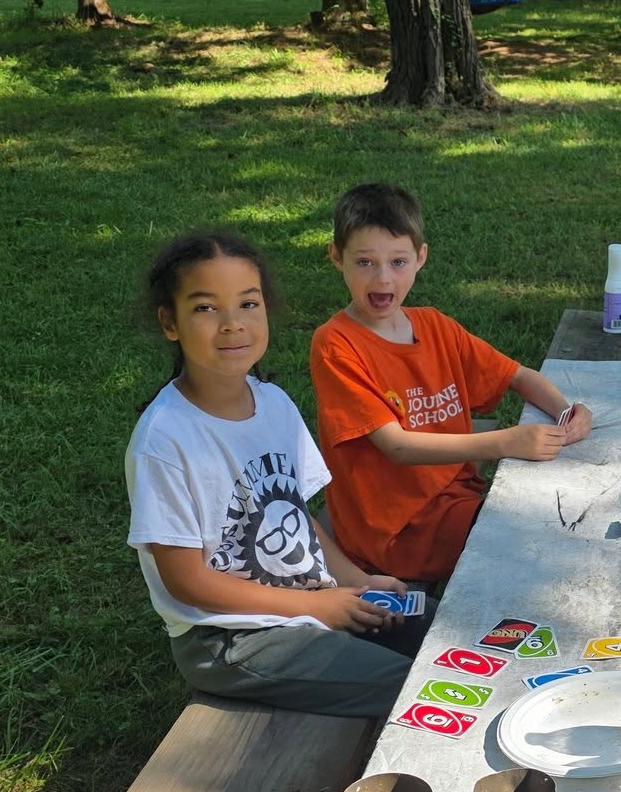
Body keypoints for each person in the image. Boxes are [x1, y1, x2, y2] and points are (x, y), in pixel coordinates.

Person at [125, 232, 427, 717]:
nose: (232, 325)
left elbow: (295, 514)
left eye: (248, 303)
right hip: (230, 638)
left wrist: (354, 581)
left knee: (440, 633)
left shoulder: (274, 403)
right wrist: (315, 608)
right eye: (206, 308)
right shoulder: (165, 440)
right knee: (413, 693)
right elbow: (187, 583)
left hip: (307, 602)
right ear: (170, 322)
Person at [310, 183, 592, 584]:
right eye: (365, 262)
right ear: (337, 258)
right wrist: (506, 443)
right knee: (541, 546)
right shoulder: (335, 343)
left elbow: (518, 376)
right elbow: (398, 446)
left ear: (421, 258)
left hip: (455, 500)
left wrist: (566, 412)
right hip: (399, 529)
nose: (383, 279)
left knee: (571, 510)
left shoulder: (434, 326)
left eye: (398, 262)